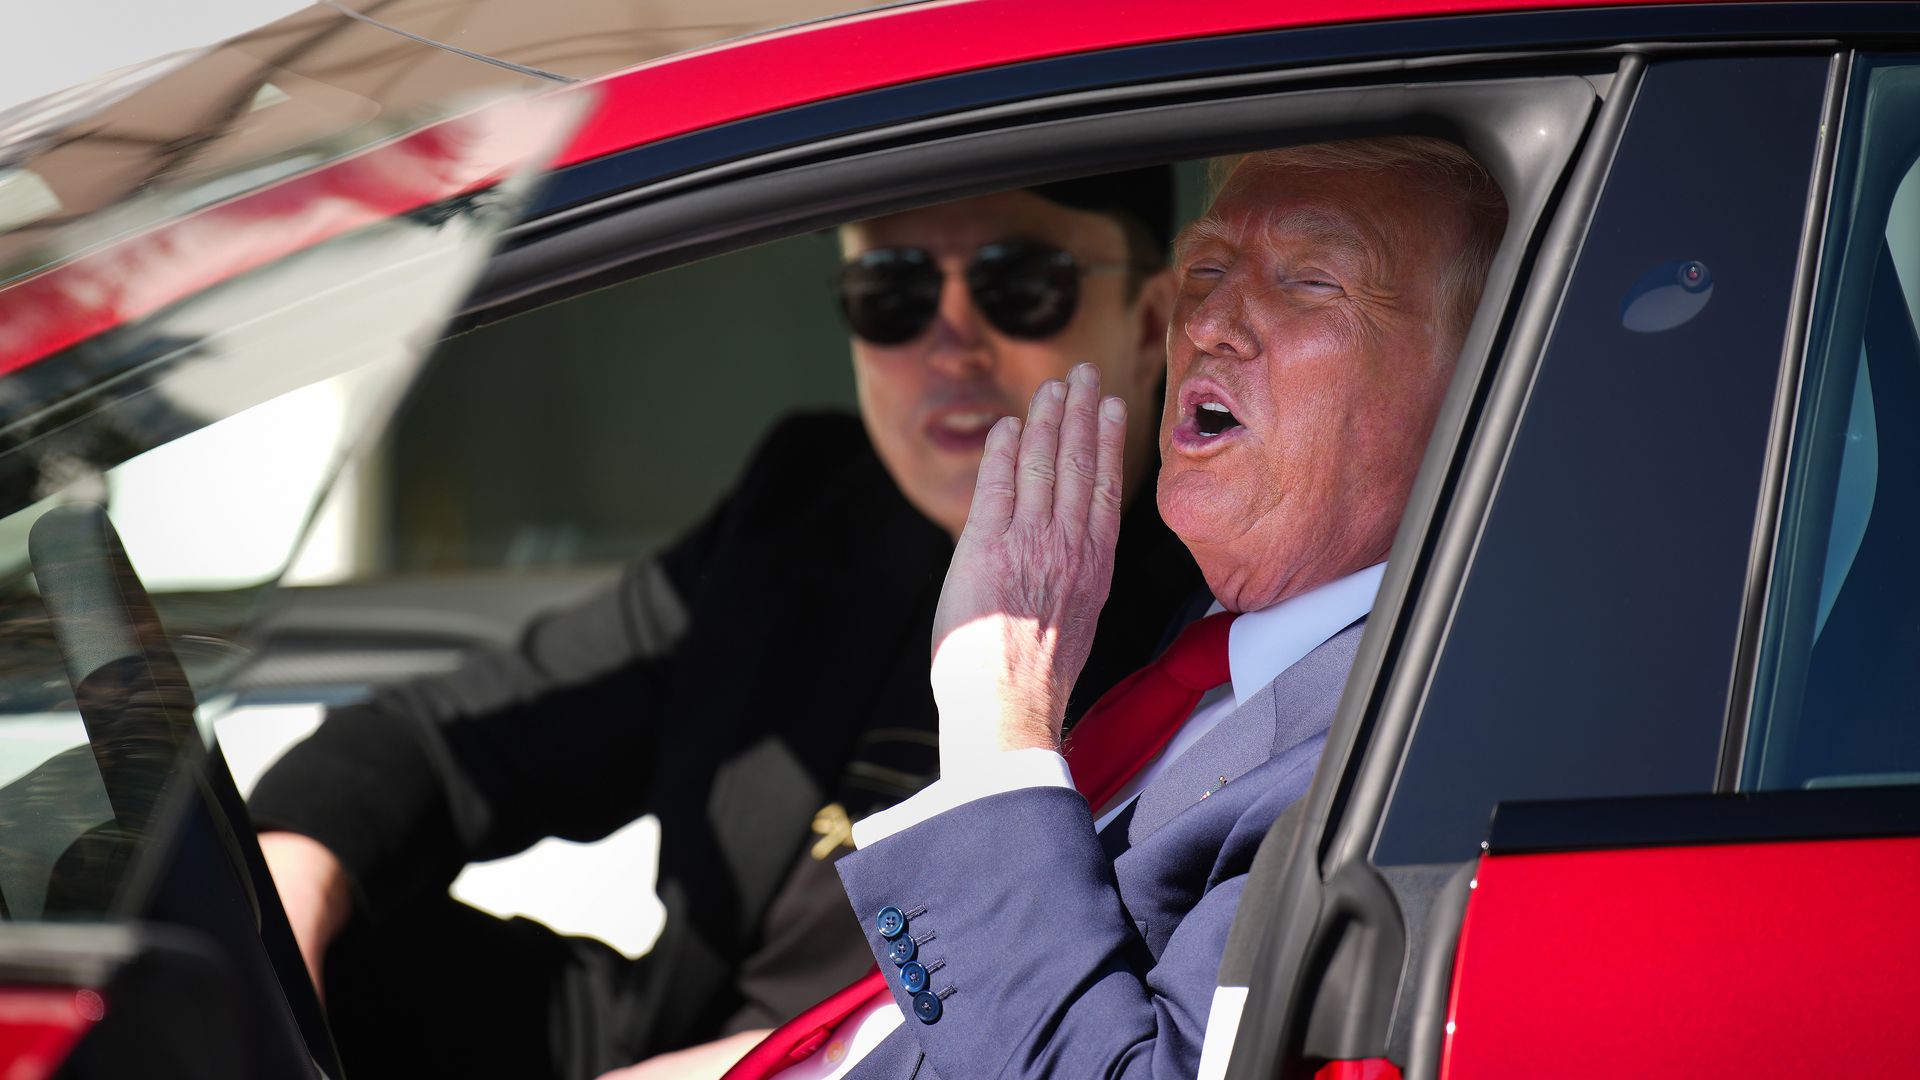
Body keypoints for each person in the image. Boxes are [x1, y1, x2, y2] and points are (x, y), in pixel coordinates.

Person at [245, 171, 1207, 1079]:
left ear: (1154, 320)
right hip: (670, 1032)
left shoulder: (1213, 606)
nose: (951, 341)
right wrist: (282, 901)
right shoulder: (808, 510)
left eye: (1021, 284)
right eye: (891, 289)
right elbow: (445, 743)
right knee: (237, 935)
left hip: (915, 1060)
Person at [732, 136, 1507, 1079]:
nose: (1213, 321)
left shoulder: (1402, 751)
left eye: (1311, 281)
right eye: (1207, 269)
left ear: (1483, 376)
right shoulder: (1214, 643)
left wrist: (998, 721)